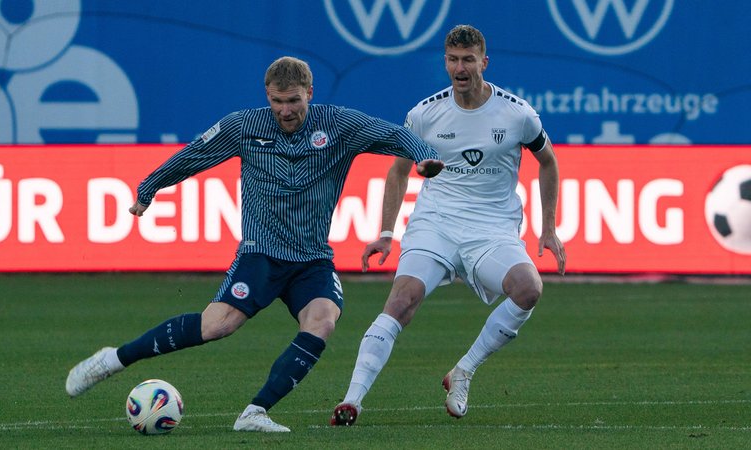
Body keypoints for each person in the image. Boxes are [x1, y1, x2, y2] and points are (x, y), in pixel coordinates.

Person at [65, 56, 444, 433]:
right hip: (260, 253)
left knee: (323, 319)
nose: (285, 110)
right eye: (277, 101)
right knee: (217, 325)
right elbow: (194, 154)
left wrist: (425, 156)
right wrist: (149, 188)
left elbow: (393, 134)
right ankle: (113, 359)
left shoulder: (339, 124)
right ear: (267, 95)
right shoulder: (244, 126)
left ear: (310, 93)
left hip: (312, 258)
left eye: (294, 100)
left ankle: (255, 412)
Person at [330, 25, 566, 426]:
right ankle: (352, 400)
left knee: (528, 289)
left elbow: (548, 162)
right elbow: (398, 171)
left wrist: (548, 228)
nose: (460, 68)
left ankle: (464, 370)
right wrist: (386, 233)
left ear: (483, 62)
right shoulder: (425, 114)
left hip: (491, 229)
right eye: (453, 60)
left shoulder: (517, 114)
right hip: (435, 224)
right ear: (445, 62)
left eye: (468, 60)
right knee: (401, 301)